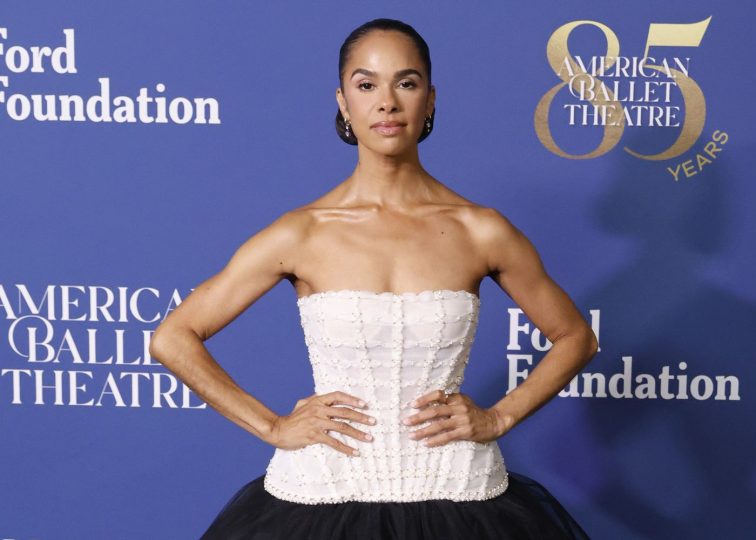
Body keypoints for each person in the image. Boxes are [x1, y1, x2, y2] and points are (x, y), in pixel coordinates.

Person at [150, 17, 598, 539]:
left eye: (405, 83)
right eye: (366, 85)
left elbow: (576, 337)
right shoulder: (302, 232)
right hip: (321, 494)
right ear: (343, 102)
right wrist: (272, 426)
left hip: (460, 492)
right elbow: (173, 338)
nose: (387, 103)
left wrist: (499, 418)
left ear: (430, 99)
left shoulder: (481, 230)